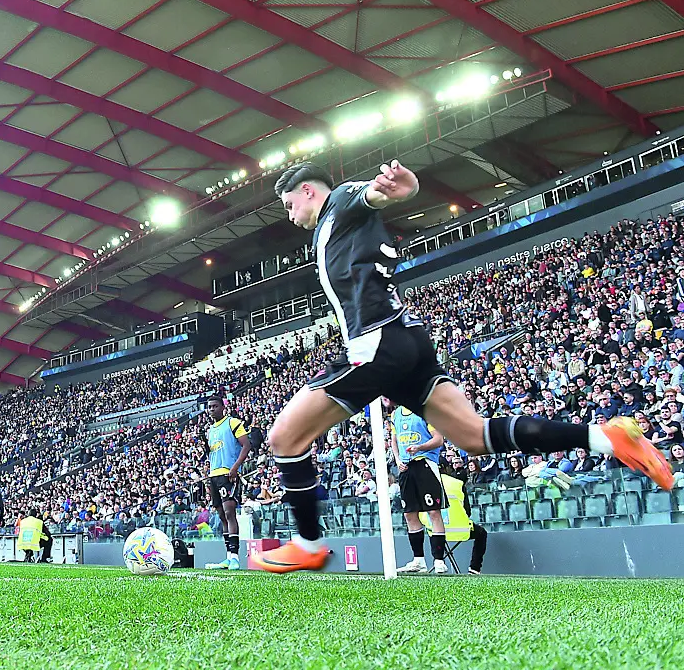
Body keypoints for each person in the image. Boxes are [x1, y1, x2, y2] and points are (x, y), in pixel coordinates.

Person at [251, 160, 673, 573]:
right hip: (405, 339)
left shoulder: (340, 202)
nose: (291, 216)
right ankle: (606, 437)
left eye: (290, 205)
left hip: (377, 341)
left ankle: (307, 543)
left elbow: (373, 194)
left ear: (308, 191)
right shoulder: (334, 224)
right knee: (472, 436)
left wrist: (402, 187)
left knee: (284, 438)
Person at [389, 404, 449, 575]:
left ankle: (438, 560)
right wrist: (398, 458)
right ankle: (418, 560)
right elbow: (394, 440)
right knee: (409, 513)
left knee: (433, 512)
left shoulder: (425, 410)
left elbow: (438, 439)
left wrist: (419, 447)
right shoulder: (396, 415)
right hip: (406, 467)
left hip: (425, 463)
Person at [202, 396, 252, 570]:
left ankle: (236, 557)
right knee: (222, 515)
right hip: (214, 476)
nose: (212, 409)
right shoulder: (209, 430)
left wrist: (235, 467)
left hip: (228, 474)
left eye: (215, 406)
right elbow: (212, 453)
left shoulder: (233, 423)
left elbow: (246, 445)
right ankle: (228, 556)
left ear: (223, 407)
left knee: (230, 512)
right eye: (209, 407)